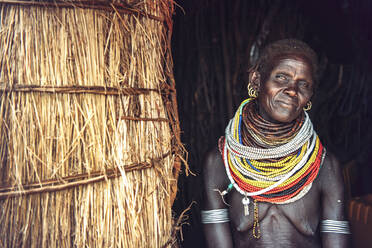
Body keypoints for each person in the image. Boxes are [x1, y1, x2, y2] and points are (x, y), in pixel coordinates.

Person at [201, 39, 350, 248]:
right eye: (281, 77)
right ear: (256, 80)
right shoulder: (219, 162)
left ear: (309, 97)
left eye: (303, 84)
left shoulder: (325, 167)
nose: (292, 90)